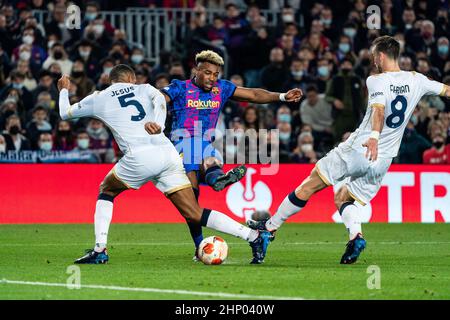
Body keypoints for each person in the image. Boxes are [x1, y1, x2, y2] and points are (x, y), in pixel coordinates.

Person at [248, 36, 450, 264]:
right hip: (384, 160)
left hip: (361, 148)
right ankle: (356, 236)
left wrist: (373, 136)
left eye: (375, 56)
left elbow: (378, 110)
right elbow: (446, 91)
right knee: (344, 196)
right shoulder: (418, 80)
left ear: (381, 56)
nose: (374, 60)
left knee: (311, 183)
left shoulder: (376, 80)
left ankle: (269, 229)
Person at [57, 65, 273, 265]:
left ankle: (99, 249)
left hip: (139, 157)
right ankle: (254, 236)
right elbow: (160, 102)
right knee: (194, 213)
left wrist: (64, 90)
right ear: (132, 78)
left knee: (107, 190)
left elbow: (64, 114)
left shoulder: (99, 97)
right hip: (167, 153)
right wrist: (159, 124)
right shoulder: (145, 88)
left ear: (110, 80)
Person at [149, 50, 302, 260]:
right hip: (180, 145)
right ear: (197, 70)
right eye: (208, 73)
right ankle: (215, 179)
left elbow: (254, 94)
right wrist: (154, 117)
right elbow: (157, 98)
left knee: (207, 160)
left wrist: (282, 96)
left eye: (216, 74)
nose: (212, 78)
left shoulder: (222, 88)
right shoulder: (180, 87)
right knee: (192, 205)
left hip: (204, 144)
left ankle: (217, 179)